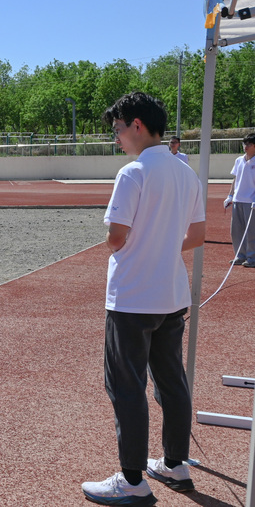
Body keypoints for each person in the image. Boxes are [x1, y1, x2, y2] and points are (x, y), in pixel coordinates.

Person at [82, 92, 205, 506]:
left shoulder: (132, 172)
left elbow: (116, 237)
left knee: (126, 387)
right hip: (172, 292)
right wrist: (164, 249)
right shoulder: (186, 172)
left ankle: (132, 479)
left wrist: (130, 248)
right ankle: (175, 463)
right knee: (171, 380)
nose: (116, 138)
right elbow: (199, 235)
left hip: (133, 297)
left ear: (136, 125)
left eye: (118, 129)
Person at [225, 133, 255, 267]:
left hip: (251, 201)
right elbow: (235, 179)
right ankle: (240, 255)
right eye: (244, 144)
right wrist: (230, 196)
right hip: (238, 200)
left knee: (251, 231)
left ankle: (251, 258)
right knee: (236, 231)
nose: (245, 147)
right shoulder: (239, 160)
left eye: (249, 144)